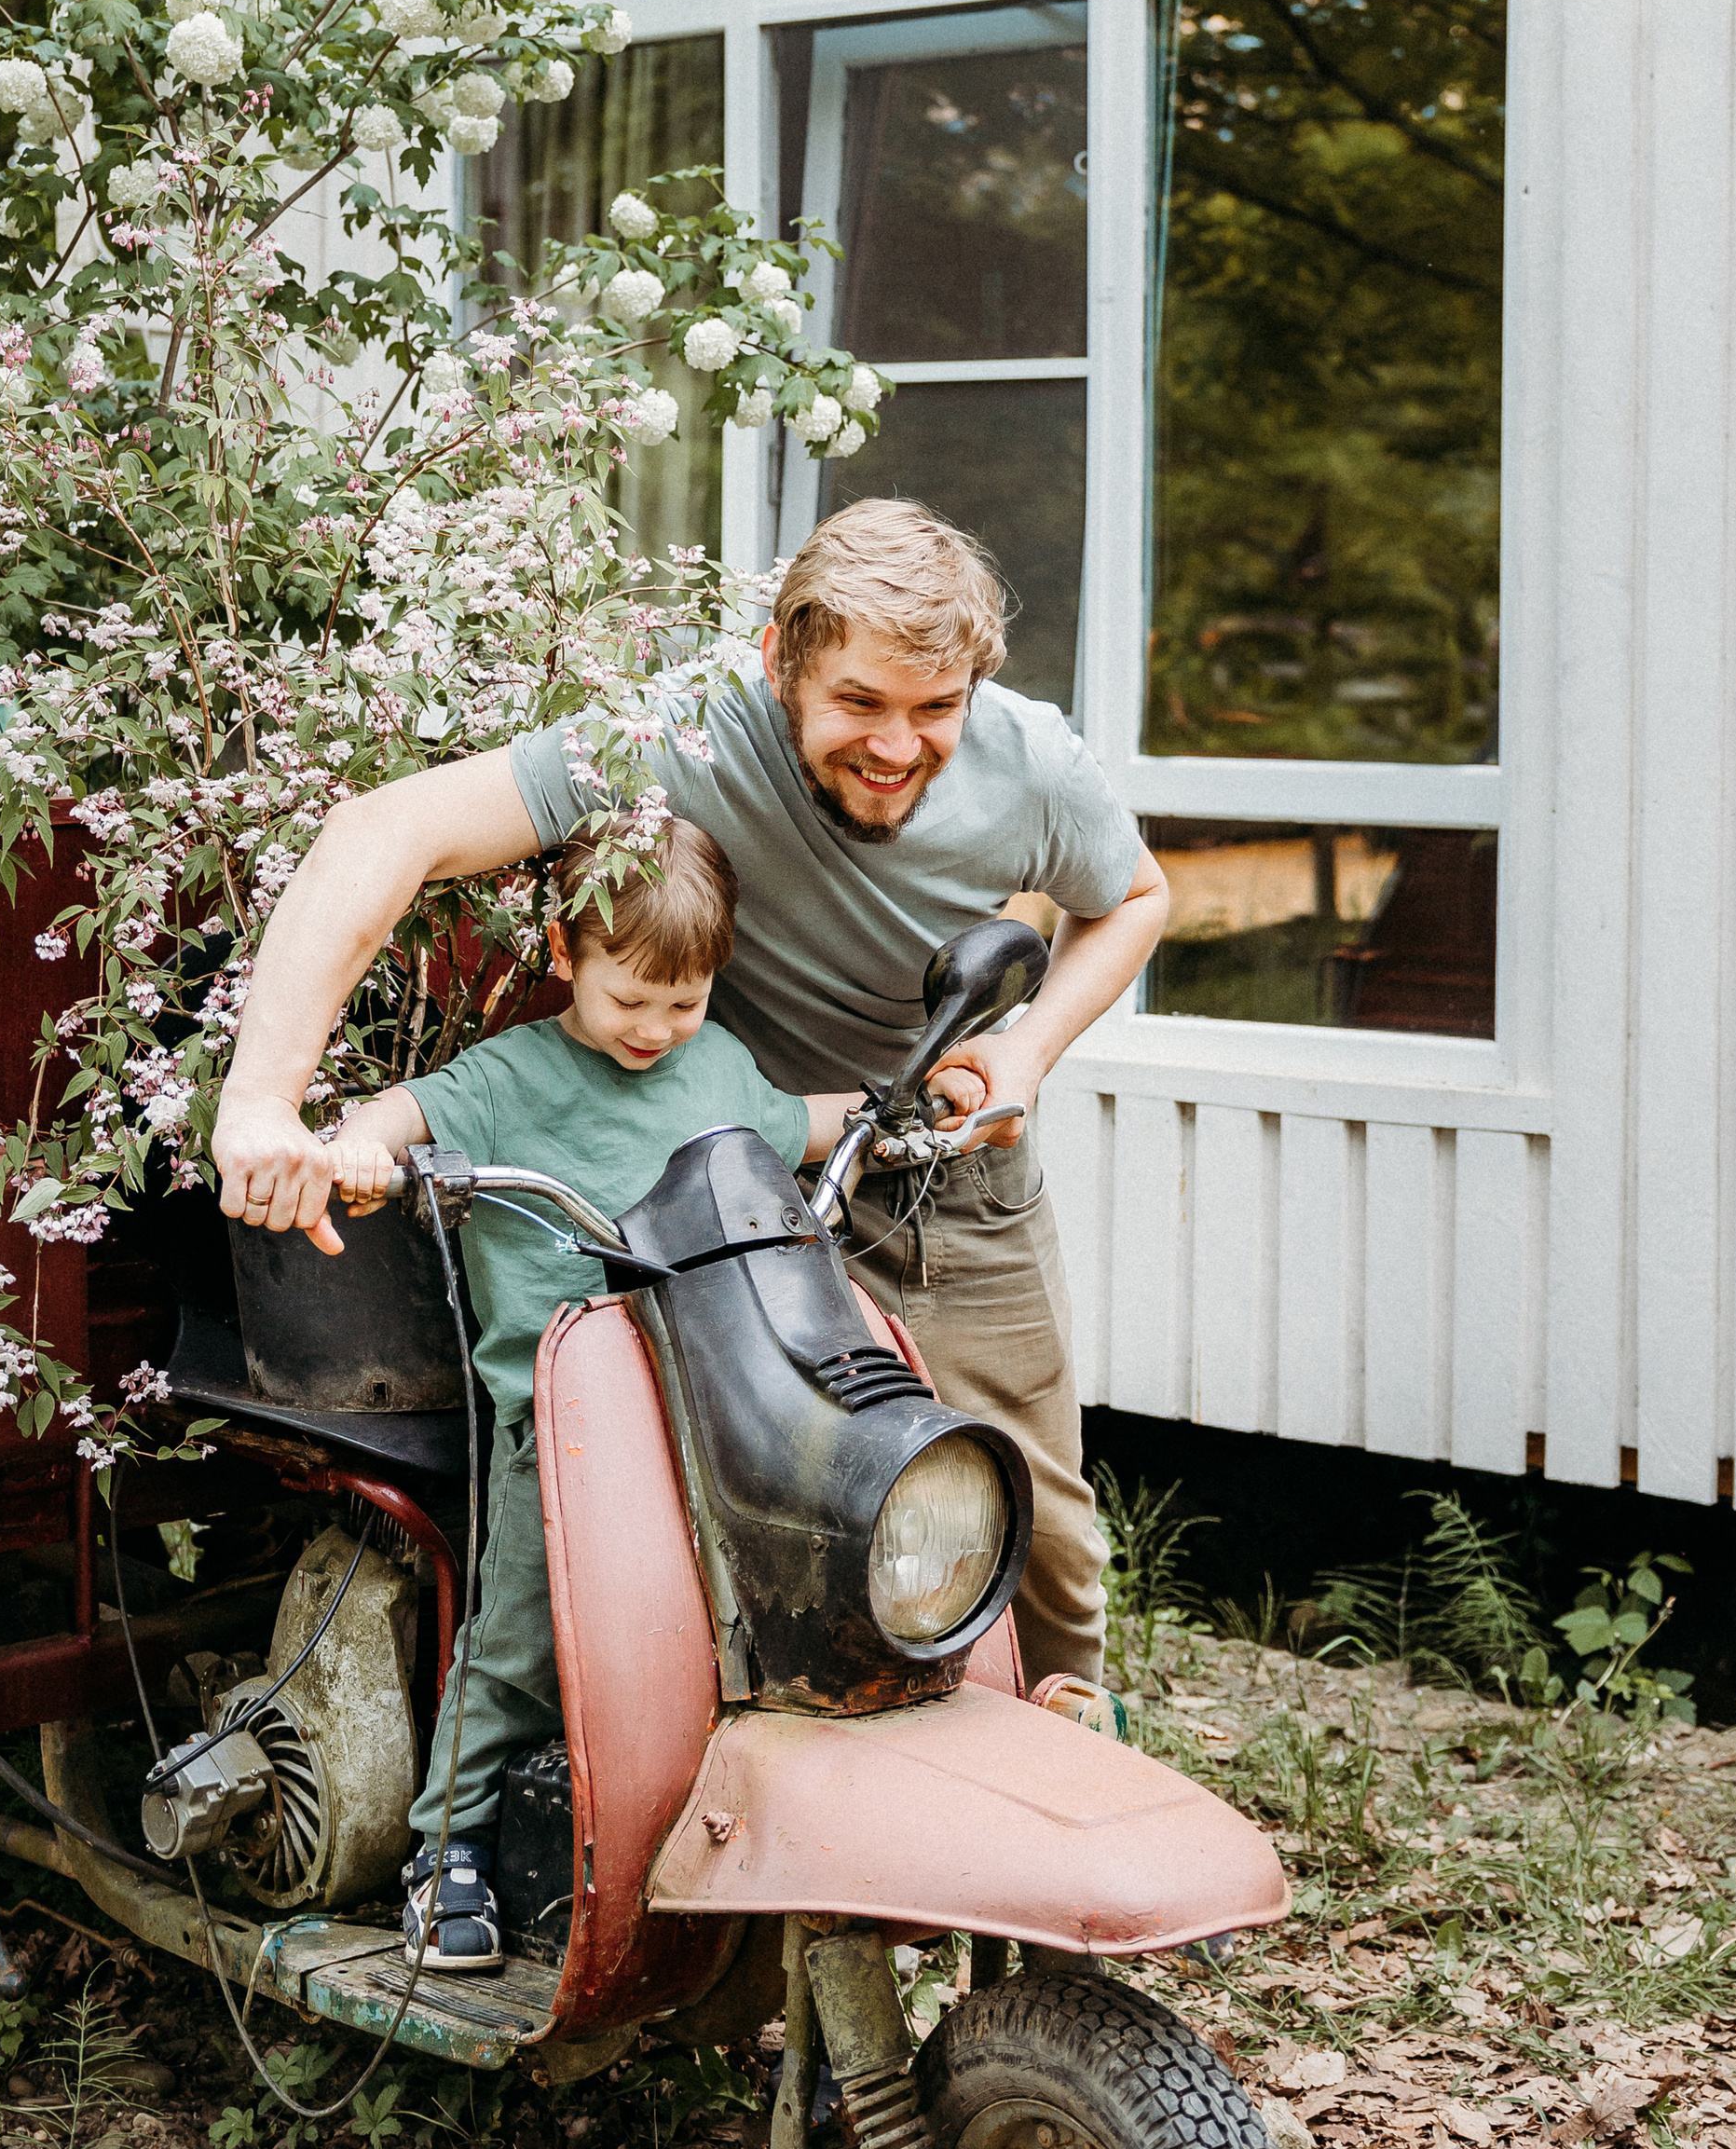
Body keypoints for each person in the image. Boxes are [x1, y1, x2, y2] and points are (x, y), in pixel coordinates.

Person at [215, 497, 1171, 1699]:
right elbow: (386, 830)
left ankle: (1071, 1782)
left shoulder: (1031, 765)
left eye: (935, 710)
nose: (896, 746)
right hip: (723, 1179)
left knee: (1028, 1513)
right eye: (859, 704)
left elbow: (1133, 898)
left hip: (936, 1166)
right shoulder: (687, 731)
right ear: (778, 663)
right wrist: (262, 1101)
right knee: (739, 1510)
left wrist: (1025, 1053)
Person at [322, 814, 859, 1971]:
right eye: (631, 1001)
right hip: (562, 1427)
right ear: (566, 955)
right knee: (518, 1636)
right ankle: (445, 1847)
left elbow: (792, 1128)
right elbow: (409, 1112)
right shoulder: (513, 1075)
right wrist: (365, 1139)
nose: (658, 1032)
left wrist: (889, 1112)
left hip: (717, 1411)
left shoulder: (714, 1066)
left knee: (746, 1626)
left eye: (686, 1002)